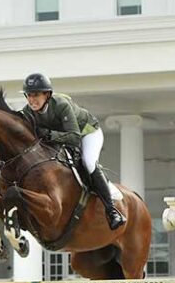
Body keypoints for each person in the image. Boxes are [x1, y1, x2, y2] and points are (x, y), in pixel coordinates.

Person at [21, 72, 126, 230]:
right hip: (61, 139)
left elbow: (74, 138)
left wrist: (49, 134)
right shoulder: (27, 112)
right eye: (28, 95)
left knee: (88, 162)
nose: (31, 100)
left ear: (47, 95)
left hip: (87, 132)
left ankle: (112, 211)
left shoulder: (61, 104)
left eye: (35, 95)